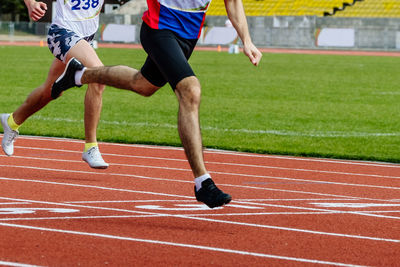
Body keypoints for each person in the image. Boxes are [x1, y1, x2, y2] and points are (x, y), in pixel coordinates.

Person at [52, 0, 262, 208]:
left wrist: (247, 40)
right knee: (190, 90)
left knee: (142, 84)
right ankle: (202, 182)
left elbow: (232, 2)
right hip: (159, 28)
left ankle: (79, 75)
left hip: (188, 36)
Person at [1, 0, 109, 169]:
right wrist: (31, 4)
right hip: (62, 33)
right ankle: (91, 146)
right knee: (98, 75)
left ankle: (12, 121)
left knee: (51, 91)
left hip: (85, 38)